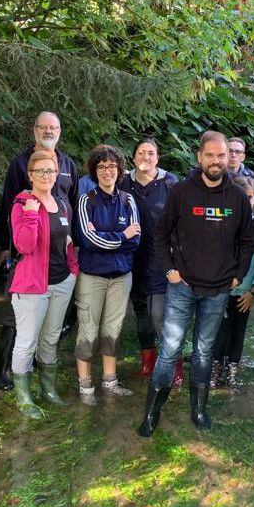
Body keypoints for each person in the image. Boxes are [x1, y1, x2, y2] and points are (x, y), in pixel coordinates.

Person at [137, 131, 254, 437]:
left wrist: (239, 274)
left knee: (204, 352)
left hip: (218, 289)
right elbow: (161, 234)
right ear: (199, 156)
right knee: (170, 349)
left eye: (221, 155)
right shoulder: (182, 192)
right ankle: (152, 413)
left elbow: (247, 240)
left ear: (229, 158)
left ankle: (199, 410)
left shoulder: (238, 198)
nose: (216, 161)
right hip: (182, 285)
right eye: (210, 155)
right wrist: (169, 270)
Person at [0, 111, 79, 390]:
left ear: (60, 131)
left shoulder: (68, 164)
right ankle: (5, 371)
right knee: (14, 318)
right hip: (27, 254)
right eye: (43, 127)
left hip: (59, 254)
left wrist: (73, 252)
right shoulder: (19, 164)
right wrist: (7, 248)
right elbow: (9, 205)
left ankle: (43, 375)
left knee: (50, 324)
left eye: (53, 127)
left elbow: (73, 204)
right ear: (34, 130)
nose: (48, 131)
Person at [9, 150, 80, 419]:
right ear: (30, 175)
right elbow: (24, 245)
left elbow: (67, 239)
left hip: (62, 282)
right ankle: (24, 398)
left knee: (50, 340)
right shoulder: (21, 204)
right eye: (40, 171)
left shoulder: (61, 203)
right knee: (27, 343)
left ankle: (47, 390)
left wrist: (73, 269)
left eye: (50, 171)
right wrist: (30, 212)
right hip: (32, 286)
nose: (46, 176)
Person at [72, 145, 141, 405]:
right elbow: (87, 239)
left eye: (112, 166)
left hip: (122, 277)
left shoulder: (128, 200)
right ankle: (85, 386)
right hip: (92, 277)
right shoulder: (85, 201)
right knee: (88, 330)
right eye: (101, 166)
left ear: (119, 170)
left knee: (113, 329)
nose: (107, 171)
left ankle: (110, 381)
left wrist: (107, 238)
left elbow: (136, 241)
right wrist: (122, 236)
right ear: (94, 171)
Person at [117, 138, 181, 382]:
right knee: (141, 313)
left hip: (162, 258)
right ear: (133, 157)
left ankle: (174, 366)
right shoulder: (124, 182)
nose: (146, 157)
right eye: (141, 153)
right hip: (132, 258)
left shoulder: (170, 183)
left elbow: (181, 220)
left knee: (160, 315)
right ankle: (147, 363)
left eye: (151, 153)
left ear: (158, 157)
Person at [211, 175, 254, 394]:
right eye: (243, 196)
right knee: (218, 332)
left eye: (251, 197)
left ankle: (232, 375)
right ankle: (213, 372)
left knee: (238, 332)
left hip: (246, 291)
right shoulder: (220, 222)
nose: (247, 201)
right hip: (220, 289)